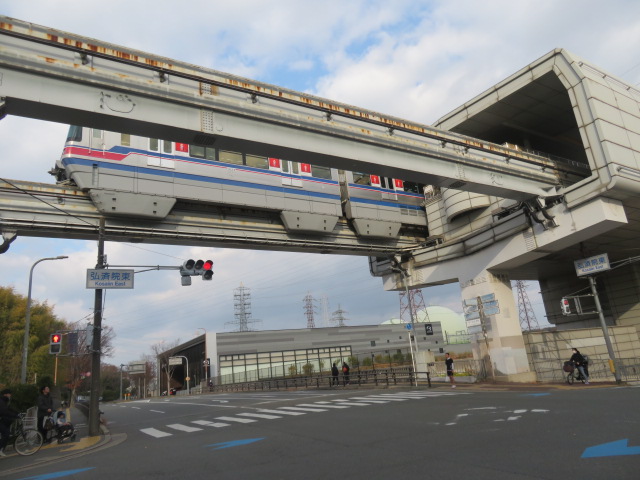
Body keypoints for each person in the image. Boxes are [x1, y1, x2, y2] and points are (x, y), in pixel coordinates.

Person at [0, 389, 19, 457]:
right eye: (9, 394)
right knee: (6, 434)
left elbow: (9, 409)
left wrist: (17, 413)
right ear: (5, 394)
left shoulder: (5, 401)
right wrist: (15, 415)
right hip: (2, 421)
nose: (10, 395)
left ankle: (1, 449)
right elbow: (4, 411)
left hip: (4, 421)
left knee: (6, 434)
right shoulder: (1, 401)